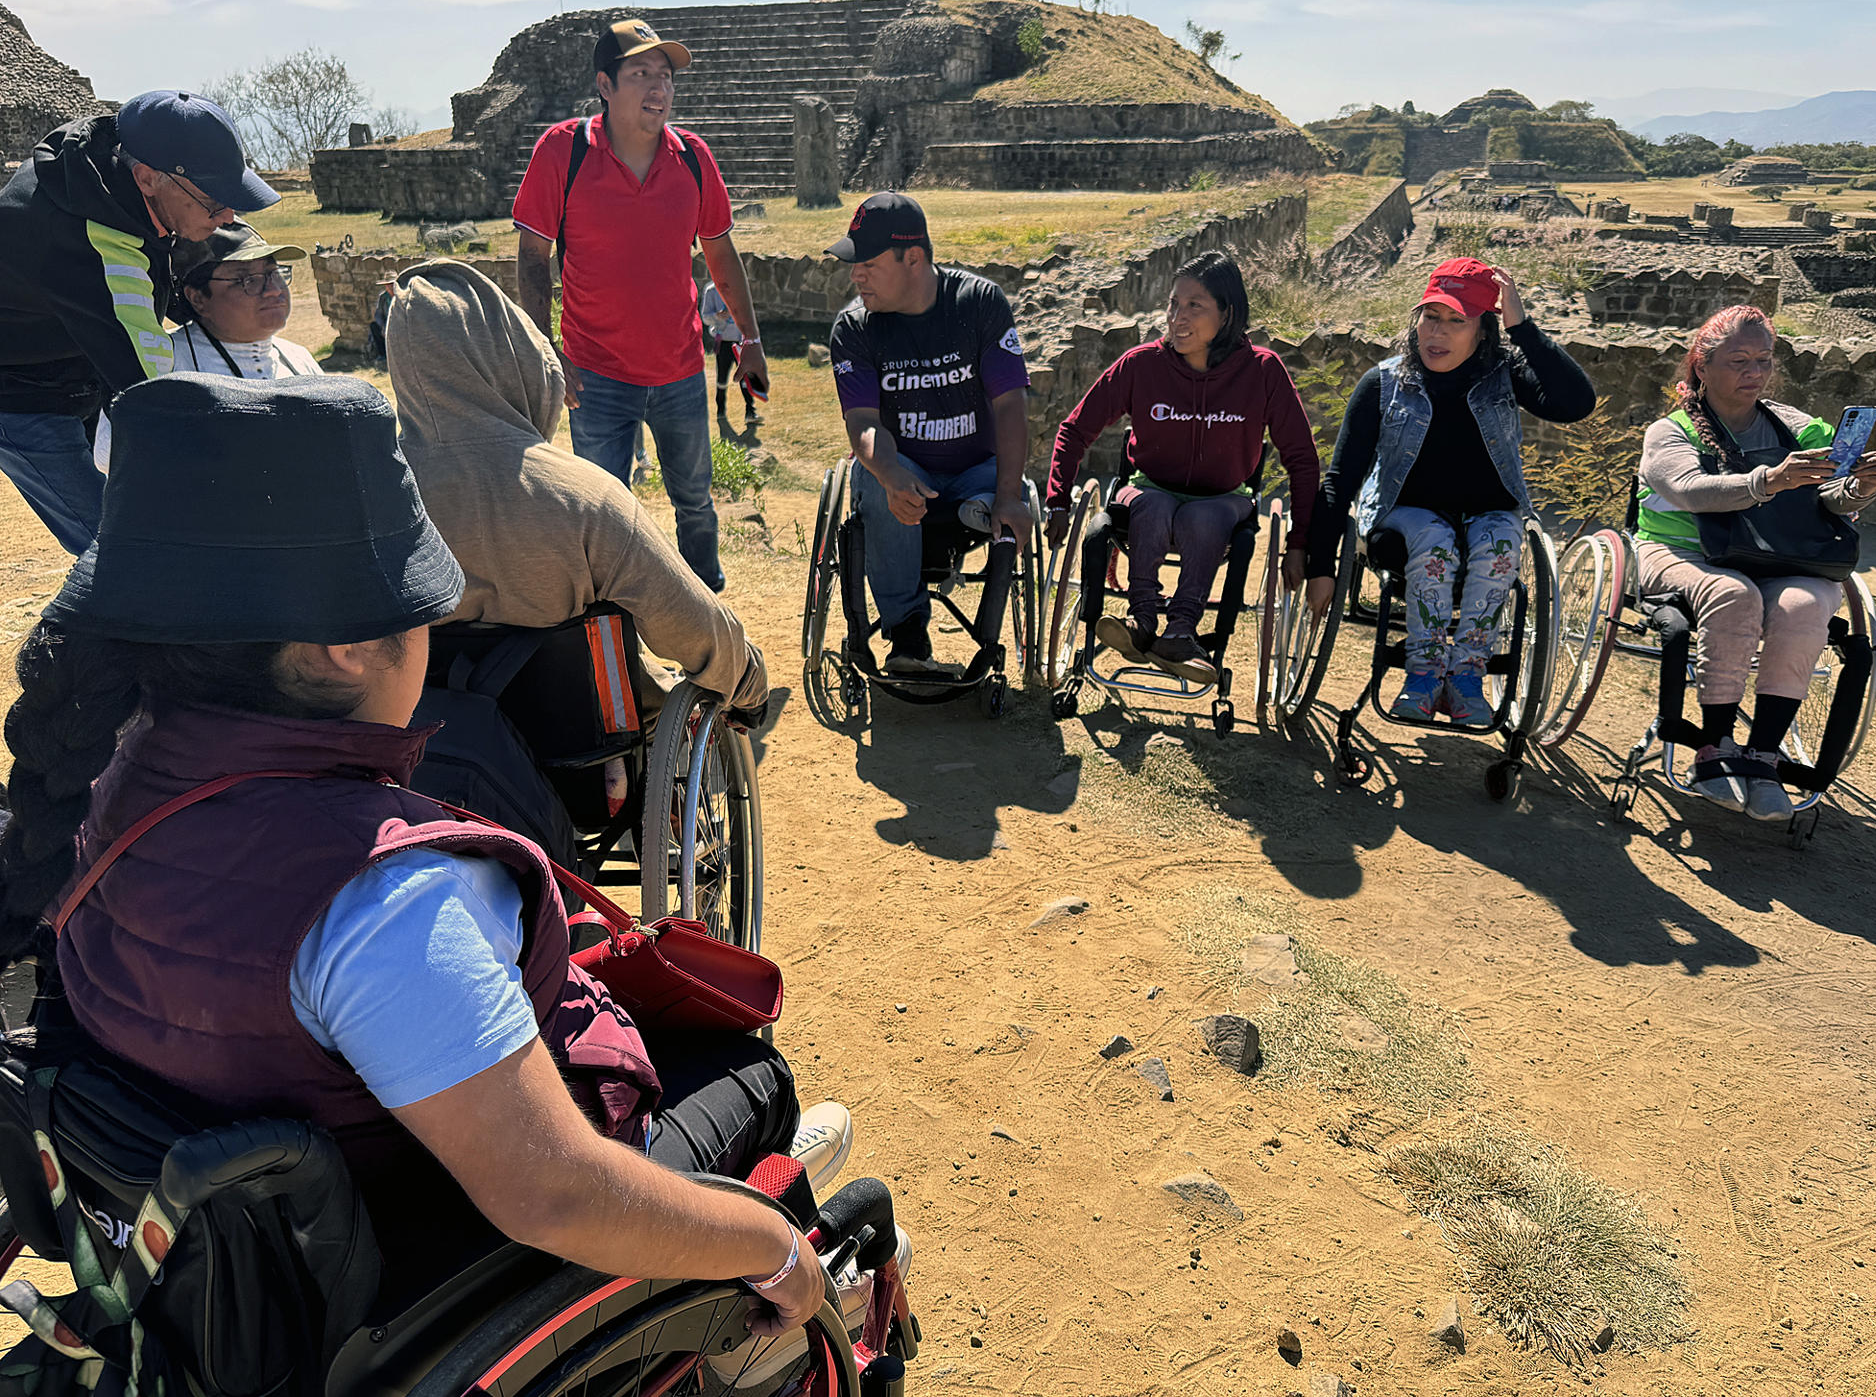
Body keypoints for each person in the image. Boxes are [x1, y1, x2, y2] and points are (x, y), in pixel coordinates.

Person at [0, 372, 841, 1323]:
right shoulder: (386, 902)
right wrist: (769, 1247)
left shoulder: (98, 784)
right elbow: (551, 1193)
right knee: (751, 1076)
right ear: (342, 650)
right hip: (401, 1255)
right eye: (419, 606)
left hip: (232, 1248)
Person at [385, 259, 769, 726]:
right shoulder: (583, 499)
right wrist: (749, 682)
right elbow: (689, 623)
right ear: (512, 359)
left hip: (419, 748)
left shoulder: (372, 502)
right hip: (580, 747)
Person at [512, 19, 769, 594]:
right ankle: (620, 627)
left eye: (665, 76)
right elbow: (532, 259)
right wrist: (545, 349)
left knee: (696, 504)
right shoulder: (564, 151)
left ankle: (707, 609)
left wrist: (749, 341)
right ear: (605, 85)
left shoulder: (693, 159)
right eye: (641, 74)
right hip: (594, 375)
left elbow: (721, 254)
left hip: (679, 368)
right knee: (606, 514)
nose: (659, 88)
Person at [1306, 257, 1595, 723]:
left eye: (1456, 322)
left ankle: (1465, 677)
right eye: (1431, 317)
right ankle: (1422, 676)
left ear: (1483, 331)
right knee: (1433, 539)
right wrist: (1321, 565)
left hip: (1487, 513)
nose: (1437, 334)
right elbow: (1342, 477)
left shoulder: (1503, 375)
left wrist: (1523, 327)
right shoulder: (1383, 383)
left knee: (1501, 541)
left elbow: (1577, 402)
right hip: (1405, 517)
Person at [1634, 305, 1876, 821]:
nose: (1753, 373)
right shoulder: (1671, 432)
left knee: (1808, 602)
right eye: (1738, 361)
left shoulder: (1798, 428)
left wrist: (1863, 485)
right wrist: (1768, 480)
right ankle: (1716, 746)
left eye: (1763, 360)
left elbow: (1832, 498)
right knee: (1732, 594)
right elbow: (1689, 490)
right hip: (1681, 550)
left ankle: (1764, 755)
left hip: (1776, 556)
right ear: (1702, 367)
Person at [0, 89, 276, 553]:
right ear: (148, 178)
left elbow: (154, 270)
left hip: (74, 357)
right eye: (214, 202)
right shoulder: (90, 241)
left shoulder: (108, 175)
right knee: (126, 546)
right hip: (20, 392)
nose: (228, 216)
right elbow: (155, 394)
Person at [1044, 251, 1320, 683]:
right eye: (1174, 303)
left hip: (1224, 497)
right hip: (1150, 486)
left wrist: (1300, 542)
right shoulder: (1142, 365)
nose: (1177, 317)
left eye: (1195, 305)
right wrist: (1058, 500)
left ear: (1227, 314)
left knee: (1201, 515)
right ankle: (1144, 622)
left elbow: (1302, 459)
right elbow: (1075, 429)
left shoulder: (1262, 371)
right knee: (1152, 506)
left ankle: (1181, 631)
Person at [826, 192, 1033, 674]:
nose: (855, 274)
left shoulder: (980, 304)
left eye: (868, 263)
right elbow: (864, 423)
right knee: (872, 483)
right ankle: (908, 638)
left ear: (913, 258)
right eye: (853, 263)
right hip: (908, 469)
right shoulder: (854, 328)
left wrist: (1007, 497)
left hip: (974, 473)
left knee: (1015, 488)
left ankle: (987, 641)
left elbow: (1010, 404)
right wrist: (890, 470)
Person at [93, 221, 319, 472]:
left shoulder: (298, 357)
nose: (273, 290)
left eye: (274, 273)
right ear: (197, 298)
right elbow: (108, 452)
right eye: (247, 280)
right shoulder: (161, 360)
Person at [703, 280, 757, 423]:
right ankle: (721, 411)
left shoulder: (738, 288)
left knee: (745, 376)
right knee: (722, 378)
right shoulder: (711, 291)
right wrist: (717, 316)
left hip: (740, 339)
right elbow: (705, 317)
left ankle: (750, 411)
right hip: (723, 340)